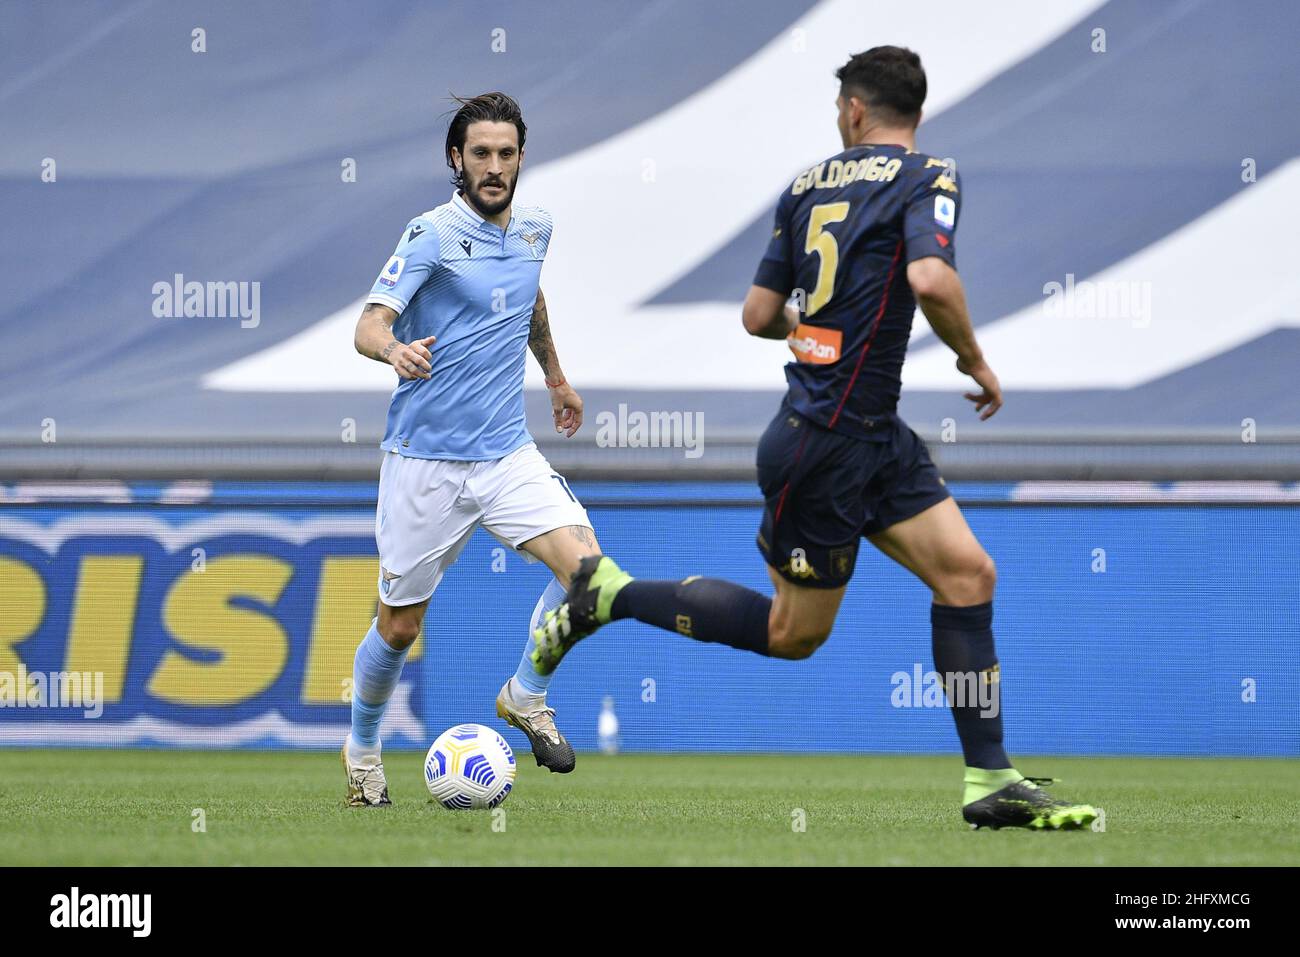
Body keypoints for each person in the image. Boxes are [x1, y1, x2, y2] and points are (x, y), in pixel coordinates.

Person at [532, 48, 1098, 831]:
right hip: (828, 442)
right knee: (792, 634)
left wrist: (812, 325)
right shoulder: (931, 174)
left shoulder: (804, 186)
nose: (839, 119)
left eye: (840, 106)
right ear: (917, 113)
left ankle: (989, 776)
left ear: (856, 111)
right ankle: (610, 593)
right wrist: (973, 359)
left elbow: (759, 315)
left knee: (968, 573)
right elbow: (931, 278)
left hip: (865, 435)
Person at [343, 92, 600, 806]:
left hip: (505, 452)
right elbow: (367, 322)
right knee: (399, 627)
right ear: (455, 159)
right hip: (424, 461)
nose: (494, 167)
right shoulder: (428, 234)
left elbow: (530, 299)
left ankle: (525, 693)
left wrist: (555, 377)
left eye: (506, 153)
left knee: (588, 574)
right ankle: (363, 751)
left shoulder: (536, 228)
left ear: (521, 158)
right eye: (480, 154)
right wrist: (393, 349)